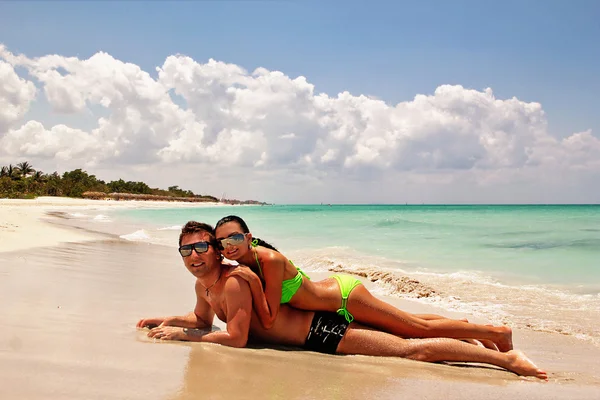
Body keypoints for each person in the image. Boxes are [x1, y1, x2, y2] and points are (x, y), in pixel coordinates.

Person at [137, 221, 547, 379]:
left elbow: (237, 338)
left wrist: (184, 338)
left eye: (202, 248)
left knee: (410, 346)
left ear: (217, 249)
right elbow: (201, 318)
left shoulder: (238, 278)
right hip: (321, 320)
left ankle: (504, 356)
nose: (195, 256)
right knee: (408, 327)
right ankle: (481, 339)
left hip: (324, 328)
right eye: (186, 251)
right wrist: (167, 321)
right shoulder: (205, 286)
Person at [214, 215, 513, 351]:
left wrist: (251, 284)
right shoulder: (244, 263)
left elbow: (268, 319)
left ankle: (496, 332)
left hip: (344, 298)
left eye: (235, 238)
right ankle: (460, 326)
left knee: (414, 330)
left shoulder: (269, 261)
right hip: (331, 302)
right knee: (402, 322)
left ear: (249, 238)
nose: (229, 245)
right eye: (222, 242)